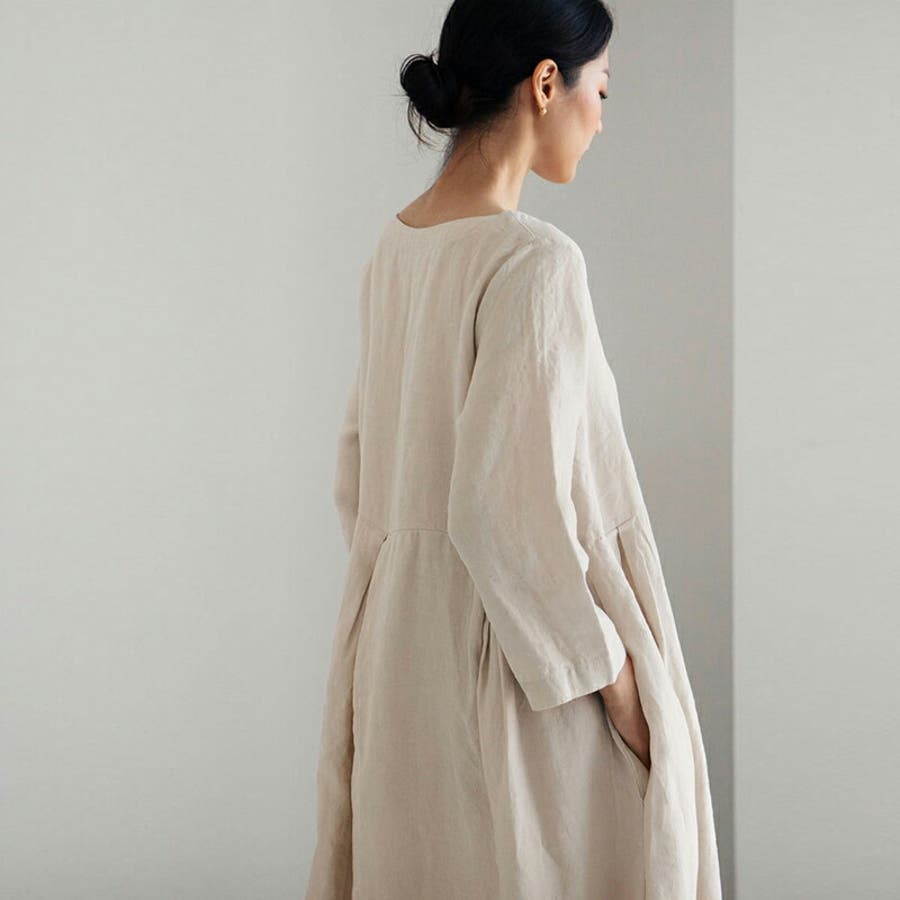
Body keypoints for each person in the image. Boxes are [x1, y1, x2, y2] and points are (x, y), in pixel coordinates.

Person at [305, 1, 723, 898]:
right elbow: (500, 515)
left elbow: (357, 476)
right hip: (520, 686)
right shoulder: (535, 263)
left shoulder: (398, 249)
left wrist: (414, 594)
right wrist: (620, 688)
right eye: (600, 90)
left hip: (399, 668)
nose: (601, 119)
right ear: (545, 83)